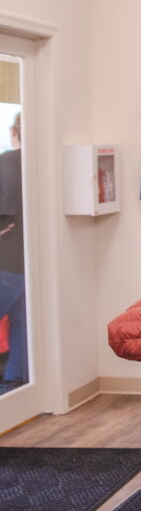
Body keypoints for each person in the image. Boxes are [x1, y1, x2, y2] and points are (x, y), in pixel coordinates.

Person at [0, 113, 26, 392]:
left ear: (14, 131)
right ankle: (13, 384)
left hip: (6, 263)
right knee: (22, 326)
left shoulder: (7, 162)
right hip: (26, 264)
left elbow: (4, 217)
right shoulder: (39, 164)